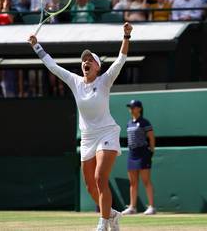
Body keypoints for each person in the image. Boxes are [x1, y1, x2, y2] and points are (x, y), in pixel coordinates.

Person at [28, 22, 133, 231]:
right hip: (87, 137)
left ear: (97, 66)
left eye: (90, 60)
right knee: (90, 186)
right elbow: (53, 67)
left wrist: (126, 35)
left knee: (100, 177)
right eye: (83, 60)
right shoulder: (75, 81)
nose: (85, 62)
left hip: (107, 132)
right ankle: (111, 214)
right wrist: (36, 46)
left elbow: (121, 59)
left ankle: (103, 222)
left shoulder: (105, 80)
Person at [121, 100, 156, 216]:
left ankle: (151, 207)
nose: (131, 109)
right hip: (132, 154)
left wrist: (151, 150)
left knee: (146, 181)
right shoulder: (129, 123)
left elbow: (151, 137)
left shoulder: (145, 122)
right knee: (133, 182)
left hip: (143, 153)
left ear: (139, 109)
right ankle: (132, 207)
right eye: (130, 107)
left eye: (133, 107)